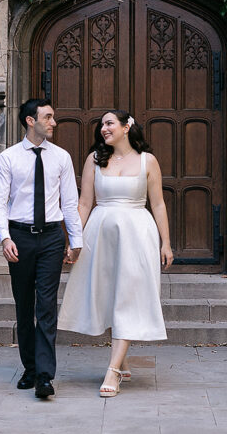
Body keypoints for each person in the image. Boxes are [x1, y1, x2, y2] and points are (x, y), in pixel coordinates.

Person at [57, 109, 173, 397]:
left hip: (137, 234)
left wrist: (166, 242)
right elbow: (84, 204)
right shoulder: (95, 160)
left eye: (109, 124)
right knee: (108, 294)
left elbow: (158, 205)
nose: (103, 129)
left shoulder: (148, 161)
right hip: (100, 233)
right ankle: (122, 357)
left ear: (126, 127)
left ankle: (113, 370)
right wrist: (74, 240)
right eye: (101, 125)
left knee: (129, 295)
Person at [0, 98, 82, 399]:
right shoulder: (8, 159)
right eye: (48, 117)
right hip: (20, 237)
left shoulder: (62, 158)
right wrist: (5, 238)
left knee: (46, 307)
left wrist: (75, 240)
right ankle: (29, 367)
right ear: (31, 120)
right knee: (24, 305)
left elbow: (69, 202)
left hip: (52, 238)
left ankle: (44, 376)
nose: (54, 122)